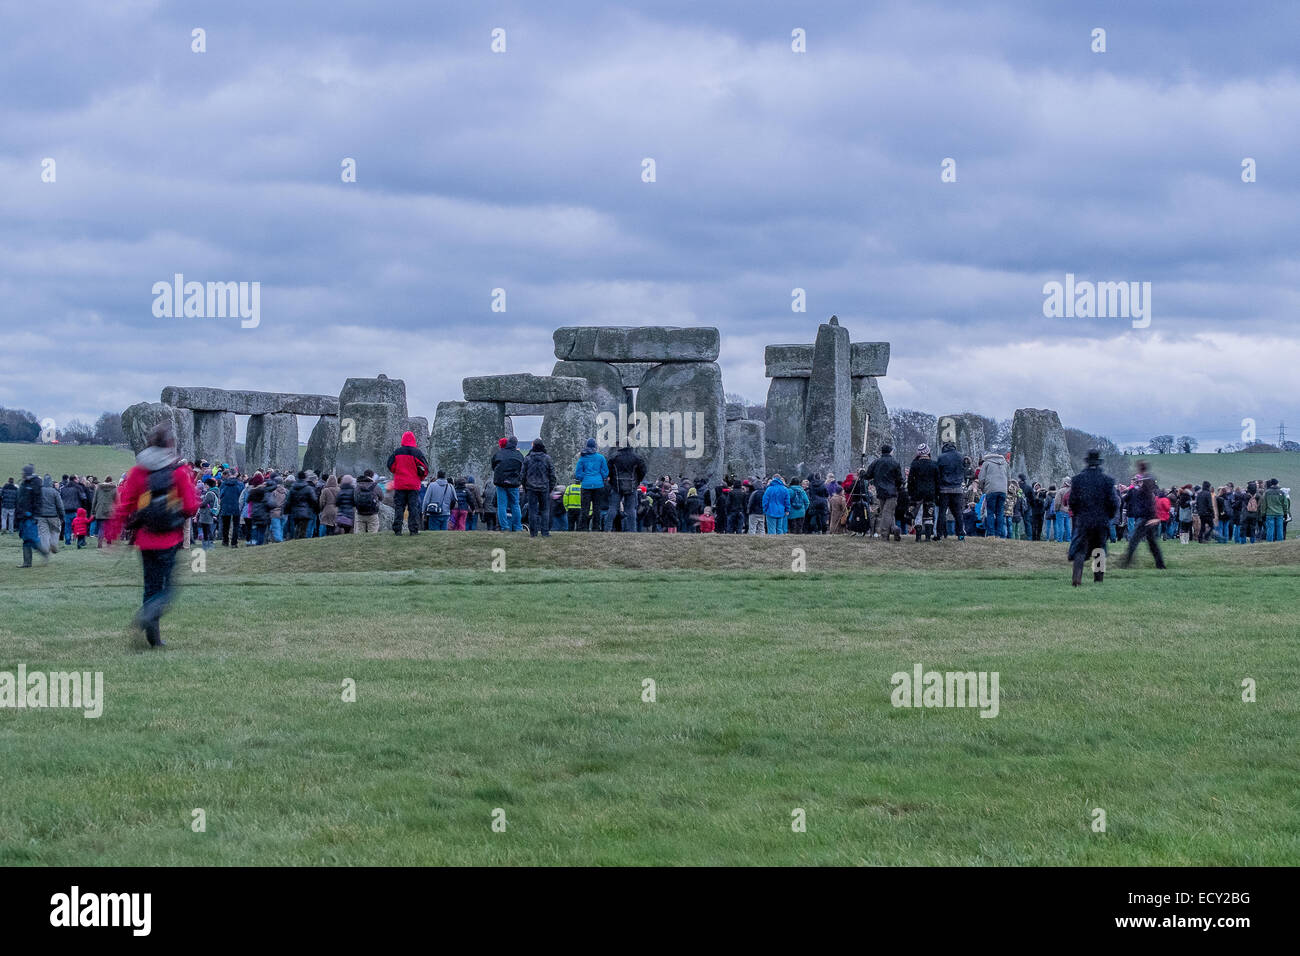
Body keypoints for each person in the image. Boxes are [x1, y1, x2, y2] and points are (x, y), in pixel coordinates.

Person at [103, 422, 201, 648]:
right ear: (170, 443)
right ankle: (147, 615)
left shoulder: (138, 472)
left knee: (150, 587)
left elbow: (124, 506)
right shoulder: (178, 471)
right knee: (168, 589)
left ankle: (154, 640)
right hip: (170, 537)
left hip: (145, 538)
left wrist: (111, 536)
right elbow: (191, 506)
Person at [1066, 450, 1121, 586]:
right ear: (1099, 462)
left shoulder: (1078, 480)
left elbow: (1072, 501)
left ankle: (1077, 577)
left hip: (1084, 519)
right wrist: (1108, 516)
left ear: (1087, 462)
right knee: (1099, 549)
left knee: (1080, 549)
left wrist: (1079, 514)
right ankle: (1098, 579)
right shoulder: (1107, 481)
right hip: (1101, 520)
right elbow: (1114, 502)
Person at [1121, 462, 1167, 571]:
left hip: (1146, 518)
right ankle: (1160, 564)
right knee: (1152, 543)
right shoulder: (1146, 480)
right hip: (1147, 517)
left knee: (1134, 541)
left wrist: (1154, 517)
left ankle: (1126, 563)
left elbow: (1149, 503)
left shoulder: (1146, 483)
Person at [386, 431, 429, 535]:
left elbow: (390, 465)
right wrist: (420, 477)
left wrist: (397, 471)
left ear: (403, 440)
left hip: (400, 484)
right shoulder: (417, 453)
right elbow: (425, 468)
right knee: (413, 508)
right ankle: (413, 530)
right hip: (413, 484)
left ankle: (397, 530)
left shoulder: (397, 452)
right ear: (414, 440)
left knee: (399, 507)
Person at [865, 444, 903, 540]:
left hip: (880, 491)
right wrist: (898, 487)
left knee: (886, 512)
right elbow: (899, 479)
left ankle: (892, 529)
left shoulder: (876, 462)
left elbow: (868, 475)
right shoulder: (895, 462)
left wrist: (862, 472)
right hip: (892, 491)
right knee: (888, 512)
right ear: (890, 451)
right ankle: (886, 533)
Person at [519, 442, 557, 538]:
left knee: (532, 510)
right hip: (544, 487)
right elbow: (552, 475)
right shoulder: (547, 458)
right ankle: (545, 532)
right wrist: (550, 487)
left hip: (531, 487)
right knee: (545, 510)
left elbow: (522, 475)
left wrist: (525, 486)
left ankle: (533, 533)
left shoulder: (528, 459)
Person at [607, 444, 647, 532]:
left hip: (616, 485)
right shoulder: (637, 458)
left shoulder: (614, 457)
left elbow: (608, 471)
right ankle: (632, 530)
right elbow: (643, 471)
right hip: (632, 486)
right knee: (631, 509)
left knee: (613, 508)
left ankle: (607, 529)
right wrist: (637, 481)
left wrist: (612, 482)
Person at [573, 438, 609, 531]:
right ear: (595, 446)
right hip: (598, 485)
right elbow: (605, 472)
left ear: (587, 446)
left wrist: (584, 477)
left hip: (586, 485)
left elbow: (578, 474)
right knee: (597, 508)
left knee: (585, 508)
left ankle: (583, 528)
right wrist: (601, 477)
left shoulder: (582, 458)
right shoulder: (601, 458)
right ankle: (596, 527)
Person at [906, 444, 940, 542]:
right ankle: (928, 537)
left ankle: (918, 537)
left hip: (917, 493)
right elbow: (937, 481)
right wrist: (937, 493)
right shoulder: (934, 464)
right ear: (928, 452)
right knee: (929, 514)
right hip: (930, 492)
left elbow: (910, 480)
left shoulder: (915, 464)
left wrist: (910, 492)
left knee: (919, 514)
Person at [491, 436, 525, 531]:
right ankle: (518, 527)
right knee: (515, 504)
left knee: (502, 505)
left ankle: (504, 526)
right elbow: (522, 468)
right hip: (514, 482)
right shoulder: (519, 455)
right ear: (516, 444)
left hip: (501, 482)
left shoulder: (499, 454)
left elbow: (493, 466)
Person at [935, 442, 965, 540]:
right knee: (958, 513)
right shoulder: (960, 456)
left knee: (942, 512)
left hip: (944, 489)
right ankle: (960, 534)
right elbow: (964, 470)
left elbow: (938, 473)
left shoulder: (941, 457)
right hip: (957, 489)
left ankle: (939, 534)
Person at [977, 451, 1009, 538]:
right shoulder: (1005, 464)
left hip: (991, 490)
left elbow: (981, 478)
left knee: (990, 512)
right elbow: (1009, 478)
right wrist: (1005, 489)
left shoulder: (986, 463)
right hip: (1003, 490)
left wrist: (982, 488)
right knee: (1000, 512)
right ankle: (999, 534)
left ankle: (991, 534)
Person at [219, 469, 244, 547]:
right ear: (236, 474)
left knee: (225, 525)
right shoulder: (240, 484)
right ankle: (234, 542)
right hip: (236, 505)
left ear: (229, 474)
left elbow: (221, 494)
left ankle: (225, 541)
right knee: (236, 525)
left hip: (225, 505)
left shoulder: (223, 484)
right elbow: (241, 495)